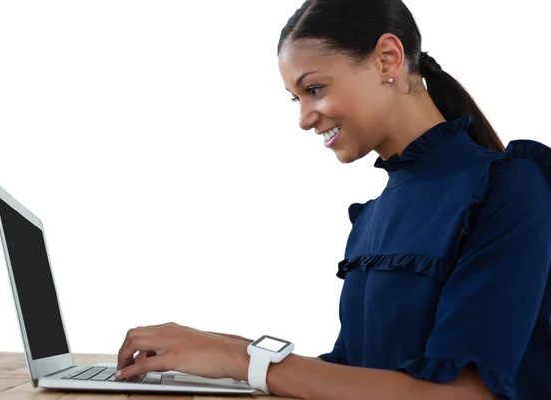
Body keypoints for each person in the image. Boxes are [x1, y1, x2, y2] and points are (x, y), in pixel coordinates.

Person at [114, 1, 551, 399]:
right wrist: (222, 351)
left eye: (315, 89)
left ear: (388, 58)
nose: (305, 118)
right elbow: (355, 377)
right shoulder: (371, 220)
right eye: (296, 98)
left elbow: (466, 394)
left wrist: (244, 361)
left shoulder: (511, 186)